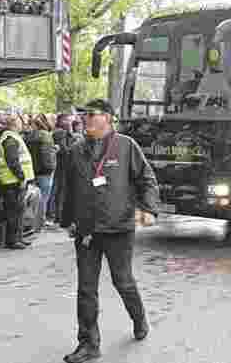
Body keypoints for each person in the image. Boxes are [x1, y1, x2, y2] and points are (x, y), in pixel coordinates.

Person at [59, 99, 158, 363]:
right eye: (84, 114)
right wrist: (67, 220)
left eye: (91, 114)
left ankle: (139, 318)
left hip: (119, 228)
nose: (86, 118)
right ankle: (88, 344)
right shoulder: (75, 150)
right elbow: (68, 189)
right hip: (87, 231)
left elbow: (147, 180)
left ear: (108, 118)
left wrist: (149, 209)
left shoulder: (126, 146)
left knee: (122, 281)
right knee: (86, 288)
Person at [0, 114, 34, 249]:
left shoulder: (13, 137)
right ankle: (13, 240)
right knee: (13, 212)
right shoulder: (10, 139)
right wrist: (21, 177)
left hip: (14, 180)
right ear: (14, 124)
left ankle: (18, 238)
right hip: (12, 181)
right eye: (20, 122)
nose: (22, 124)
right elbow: (12, 161)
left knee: (18, 211)